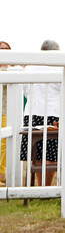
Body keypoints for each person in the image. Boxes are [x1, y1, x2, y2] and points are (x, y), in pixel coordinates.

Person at [19, 40, 65, 186]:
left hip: (33, 113)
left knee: (37, 153)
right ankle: (46, 186)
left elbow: (26, 90)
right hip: (55, 114)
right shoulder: (62, 68)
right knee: (51, 152)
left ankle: (41, 186)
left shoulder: (30, 69)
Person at [1, 41, 11, 185]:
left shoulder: (12, 69)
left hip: (6, 110)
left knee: (4, 142)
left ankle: (2, 173)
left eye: (6, 49)